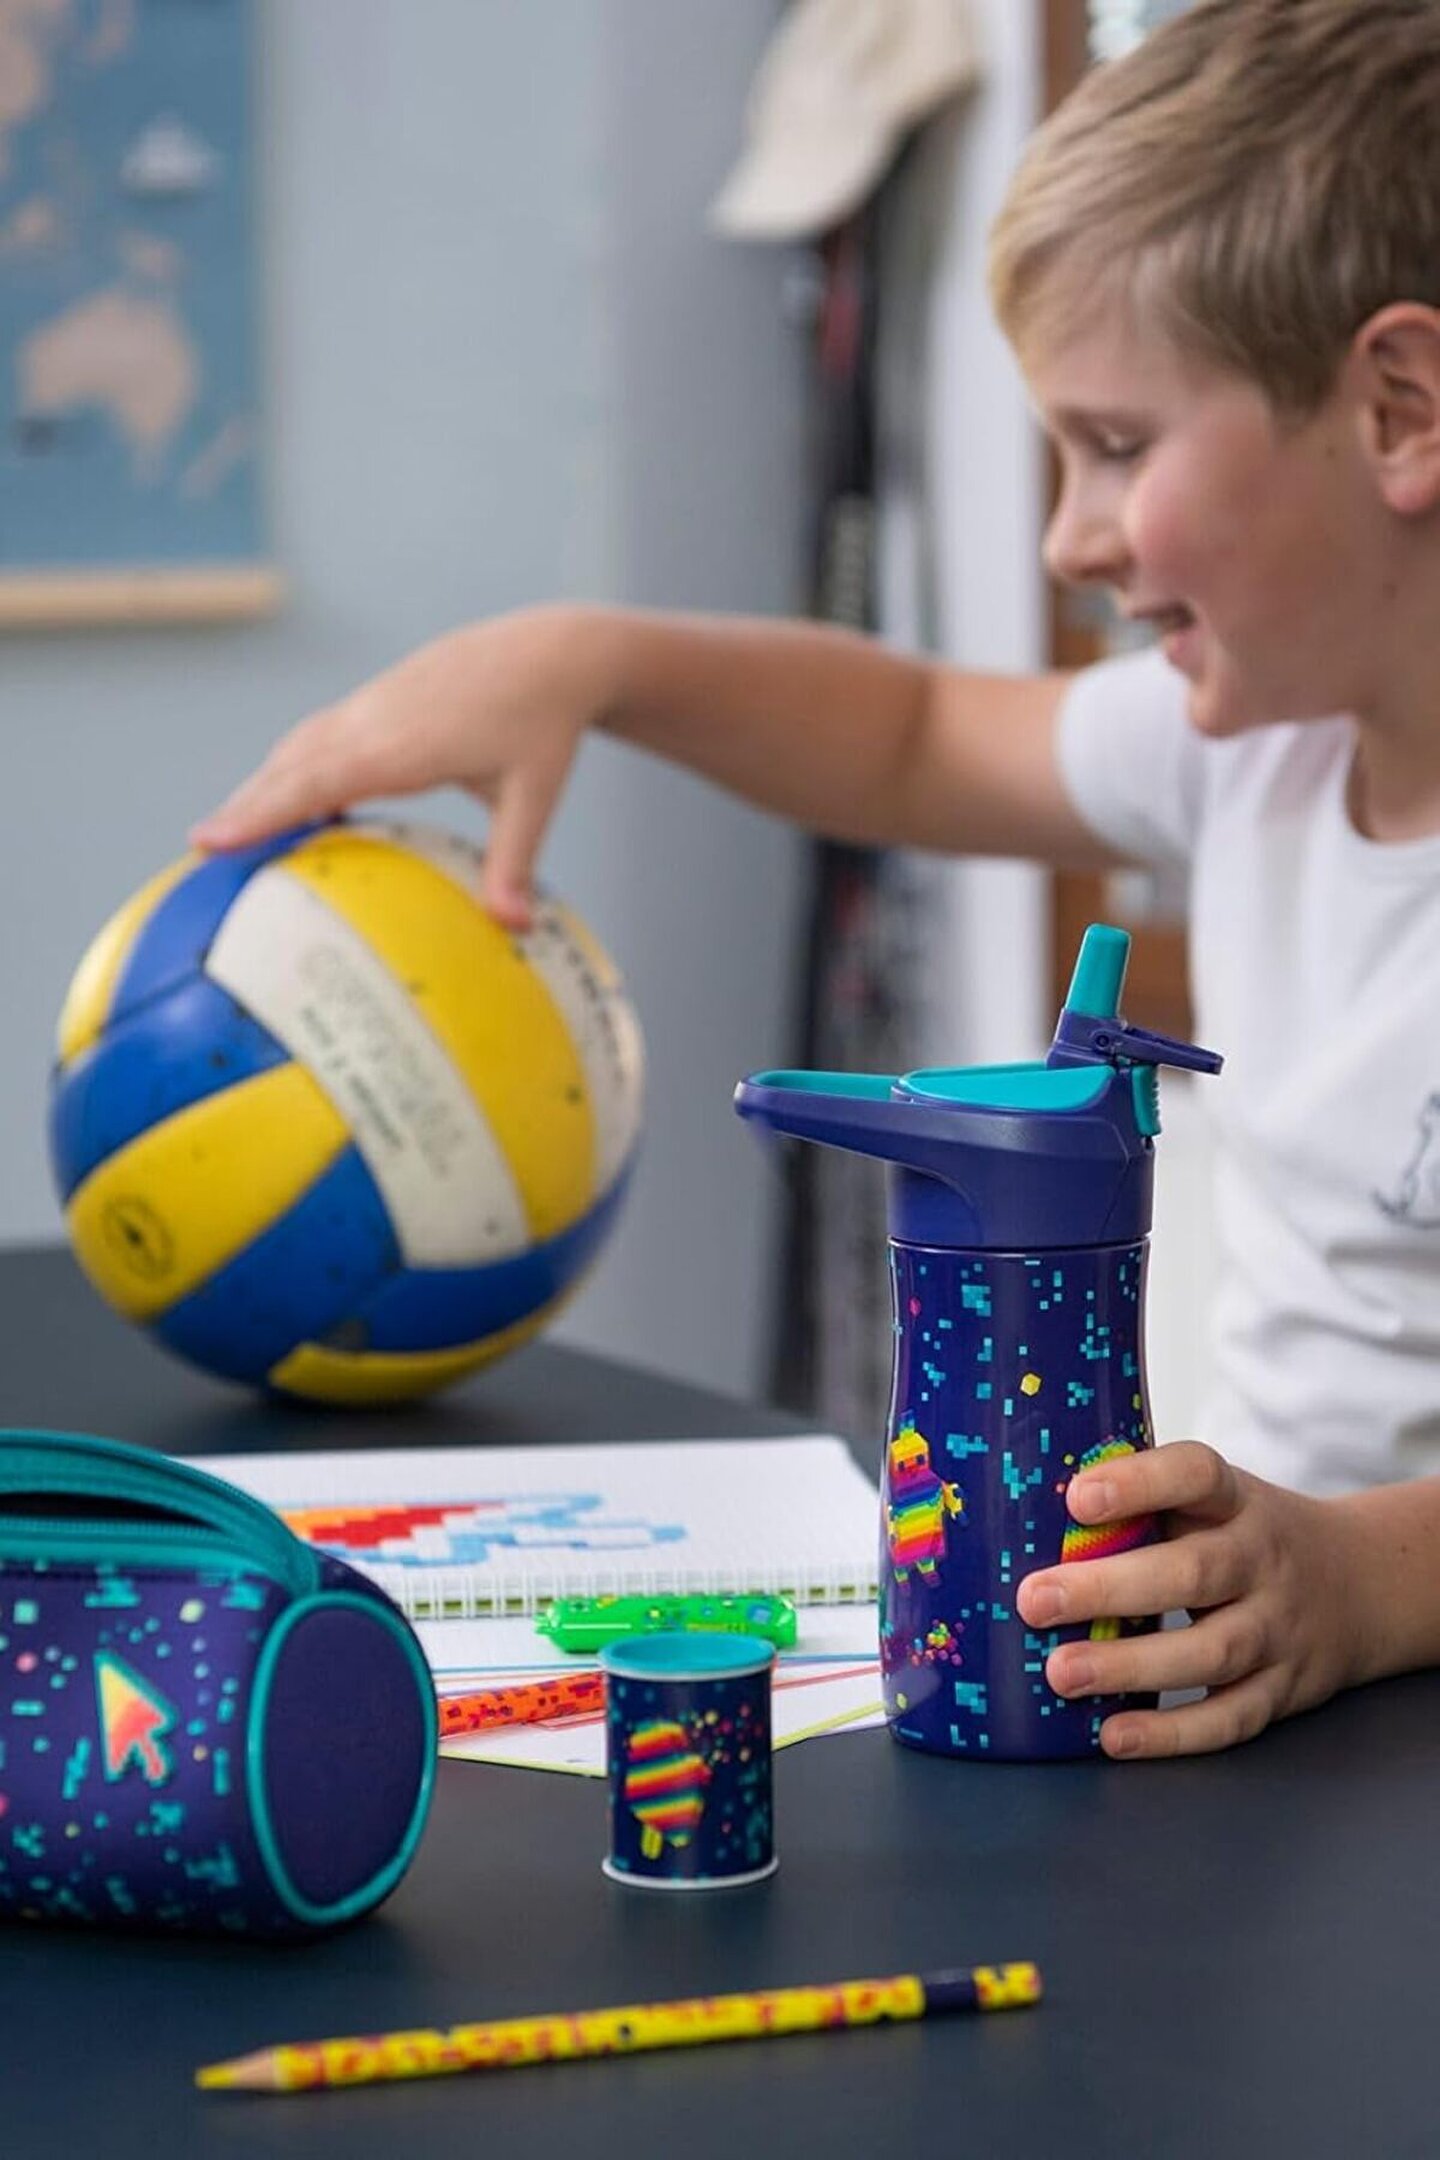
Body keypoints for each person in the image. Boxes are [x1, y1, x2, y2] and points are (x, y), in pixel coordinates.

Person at [192, 0, 1440, 1759]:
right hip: (1260, 1704)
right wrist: (591, 662)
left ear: (1398, 408)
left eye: (1117, 446)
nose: (1067, 537)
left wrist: (1369, 1582)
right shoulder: (1258, 744)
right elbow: (912, 732)